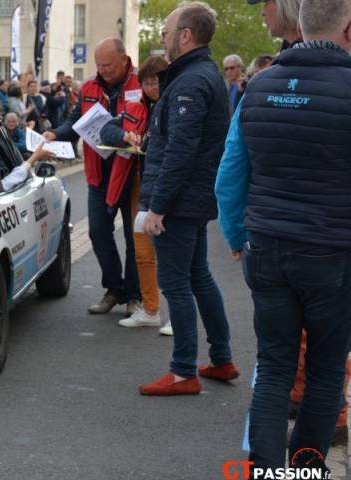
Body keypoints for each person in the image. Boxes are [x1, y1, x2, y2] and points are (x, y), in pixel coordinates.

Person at [216, 0, 351, 471]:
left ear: (301, 23)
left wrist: (236, 235)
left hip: (268, 248)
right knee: (326, 373)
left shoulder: (258, 86)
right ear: (347, 27)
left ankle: (262, 467)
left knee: (273, 368)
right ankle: (307, 467)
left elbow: (231, 173)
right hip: (332, 253)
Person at [136, 2, 237, 396]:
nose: (162, 36)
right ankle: (222, 358)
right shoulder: (198, 75)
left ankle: (182, 371)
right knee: (198, 277)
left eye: (166, 30)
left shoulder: (191, 81)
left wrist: (157, 206)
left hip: (179, 203)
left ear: (185, 36)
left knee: (175, 284)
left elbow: (181, 149)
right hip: (192, 200)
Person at [43, 37, 142, 318]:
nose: (103, 70)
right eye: (99, 64)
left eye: (108, 65)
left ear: (124, 60)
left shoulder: (140, 83)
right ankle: (115, 289)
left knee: (135, 238)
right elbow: (74, 123)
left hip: (131, 174)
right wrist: (55, 134)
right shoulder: (89, 86)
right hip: (99, 174)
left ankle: (135, 295)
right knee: (98, 232)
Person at [109, 54, 171, 335]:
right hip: (139, 185)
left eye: (154, 82)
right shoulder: (137, 106)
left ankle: (178, 315)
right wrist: (124, 136)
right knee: (143, 251)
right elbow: (106, 127)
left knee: (175, 256)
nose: (149, 88)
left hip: (168, 187)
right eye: (144, 82)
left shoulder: (175, 104)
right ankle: (150, 309)